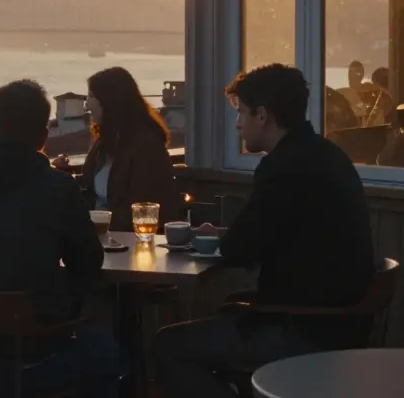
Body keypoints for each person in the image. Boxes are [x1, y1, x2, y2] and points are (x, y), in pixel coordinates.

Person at [153, 64, 376, 398]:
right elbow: (275, 231)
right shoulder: (326, 155)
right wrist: (229, 235)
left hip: (304, 330)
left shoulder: (283, 168)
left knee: (167, 345)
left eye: (242, 112)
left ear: (263, 115)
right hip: (343, 323)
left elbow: (241, 248)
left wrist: (218, 237)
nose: (238, 122)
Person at [0, 79, 125, 398]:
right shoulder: (56, 188)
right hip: (30, 359)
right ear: (44, 136)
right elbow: (89, 266)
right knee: (108, 354)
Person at [79, 67, 178, 231]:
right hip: (101, 236)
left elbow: (140, 206)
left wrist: (94, 222)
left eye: (91, 96)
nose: (87, 105)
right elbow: (88, 190)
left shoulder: (146, 146)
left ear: (109, 101)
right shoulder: (105, 142)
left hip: (129, 241)